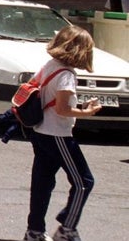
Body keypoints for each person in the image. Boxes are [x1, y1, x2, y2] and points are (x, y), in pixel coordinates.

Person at [23, 25, 101, 241]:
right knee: (84, 182)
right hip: (58, 134)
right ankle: (67, 228)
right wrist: (87, 112)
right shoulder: (66, 75)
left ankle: (34, 230)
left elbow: (46, 95)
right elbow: (62, 110)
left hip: (40, 132)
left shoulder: (49, 65)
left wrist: (79, 105)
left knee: (42, 182)